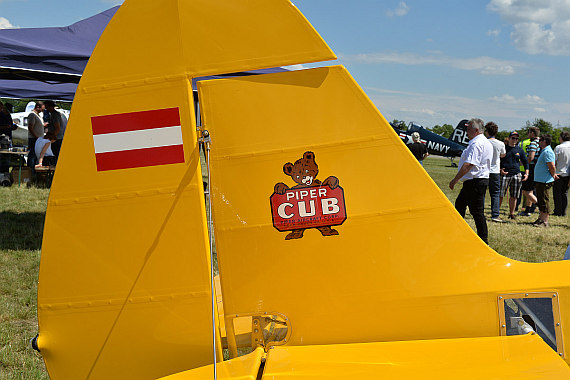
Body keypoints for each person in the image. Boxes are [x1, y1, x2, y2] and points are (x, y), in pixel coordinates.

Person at [449, 118, 493, 244]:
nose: (466, 132)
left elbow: (469, 164)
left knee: (477, 212)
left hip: (475, 181)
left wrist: (455, 180)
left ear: (476, 130)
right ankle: (458, 233)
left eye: (468, 129)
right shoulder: (485, 142)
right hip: (476, 181)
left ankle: (483, 240)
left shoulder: (476, 143)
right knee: (460, 206)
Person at [499, 131, 529, 221]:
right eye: (513, 138)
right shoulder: (504, 148)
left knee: (514, 195)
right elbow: (497, 160)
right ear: (509, 138)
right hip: (505, 174)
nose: (515, 140)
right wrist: (500, 170)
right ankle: (496, 212)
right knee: (500, 194)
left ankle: (511, 213)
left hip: (516, 174)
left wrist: (526, 173)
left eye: (516, 138)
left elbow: (525, 162)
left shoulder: (519, 150)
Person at [532, 134, 558, 227]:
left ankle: (545, 221)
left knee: (544, 200)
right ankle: (541, 218)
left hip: (545, 180)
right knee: (541, 200)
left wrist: (553, 175)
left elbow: (551, 166)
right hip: (540, 180)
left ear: (544, 141)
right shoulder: (544, 151)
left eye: (540, 141)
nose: (538, 142)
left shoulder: (547, 152)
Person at [484, 122, 506, 222]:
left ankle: (480, 212)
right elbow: (503, 155)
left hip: (484, 170)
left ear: (487, 131)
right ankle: (495, 214)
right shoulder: (500, 143)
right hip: (495, 171)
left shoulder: (483, 142)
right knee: (495, 193)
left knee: (482, 192)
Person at [520, 127, 540, 216]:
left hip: (531, 167)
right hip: (536, 168)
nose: (527, 134)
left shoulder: (533, 143)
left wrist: (521, 163)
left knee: (525, 191)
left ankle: (540, 205)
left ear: (532, 133)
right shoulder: (539, 142)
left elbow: (531, 157)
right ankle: (528, 210)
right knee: (530, 190)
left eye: (528, 132)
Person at [553, 131, 570, 216]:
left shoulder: (559, 147)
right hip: (568, 173)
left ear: (561, 138)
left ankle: (558, 211)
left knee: (557, 193)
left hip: (559, 173)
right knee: (565, 193)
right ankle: (564, 211)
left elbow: (554, 161)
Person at [27, 102, 47, 168]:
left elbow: (37, 125)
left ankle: (34, 171)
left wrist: (44, 125)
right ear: (37, 107)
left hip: (38, 139)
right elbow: (30, 127)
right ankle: (30, 171)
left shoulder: (38, 115)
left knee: (36, 156)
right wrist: (36, 137)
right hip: (34, 139)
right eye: (42, 109)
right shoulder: (32, 115)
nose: (43, 110)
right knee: (32, 155)